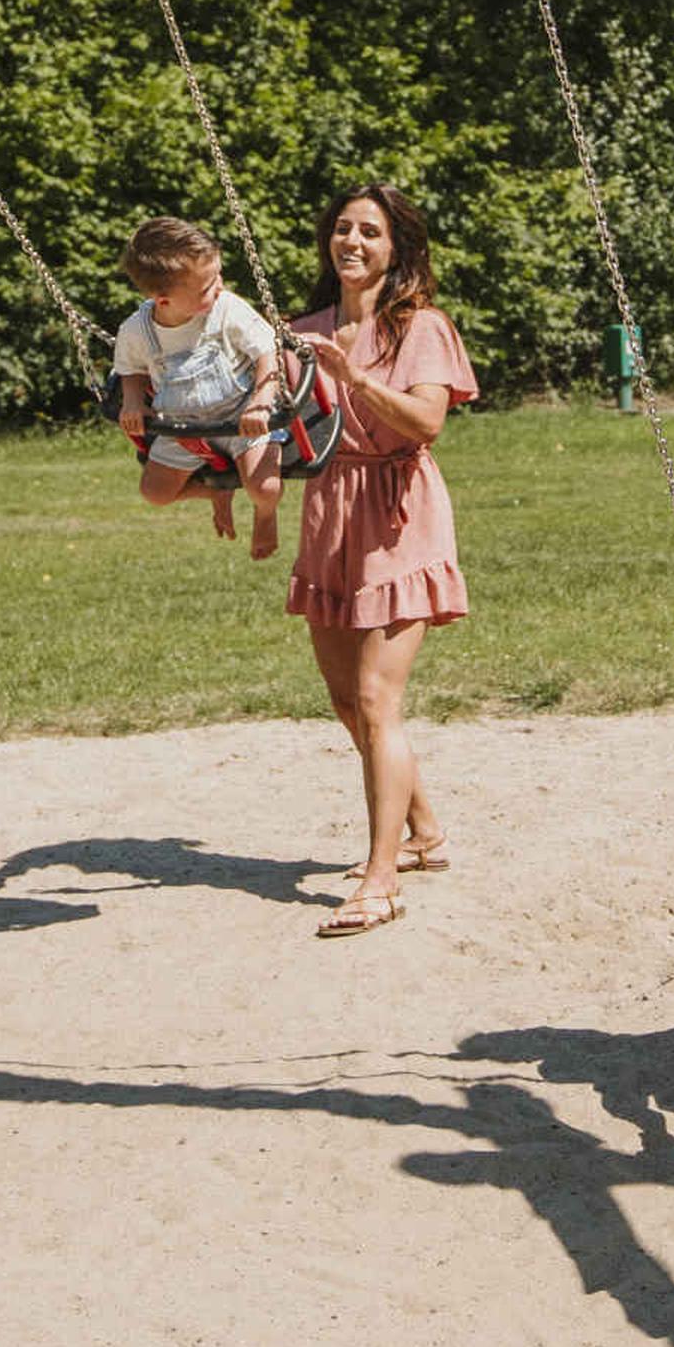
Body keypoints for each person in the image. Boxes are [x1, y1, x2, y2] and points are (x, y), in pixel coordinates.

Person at [286, 184, 476, 938]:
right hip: (329, 512)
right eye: (342, 229)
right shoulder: (302, 330)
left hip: (399, 514)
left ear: (397, 247)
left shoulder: (420, 327)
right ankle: (424, 828)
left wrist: (356, 376)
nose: (352, 242)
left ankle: (380, 880)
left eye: (370, 231)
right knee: (344, 701)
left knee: (375, 700)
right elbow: (270, 426)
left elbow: (427, 418)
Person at [110, 215, 289, 560]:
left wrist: (263, 401)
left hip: (242, 417)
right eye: (207, 286)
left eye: (217, 275)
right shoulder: (136, 330)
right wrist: (132, 401)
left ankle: (265, 515)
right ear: (163, 301)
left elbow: (269, 352)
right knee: (155, 493)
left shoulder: (227, 309)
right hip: (183, 427)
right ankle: (214, 492)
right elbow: (129, 371)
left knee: (265, 489)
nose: (219, 286)